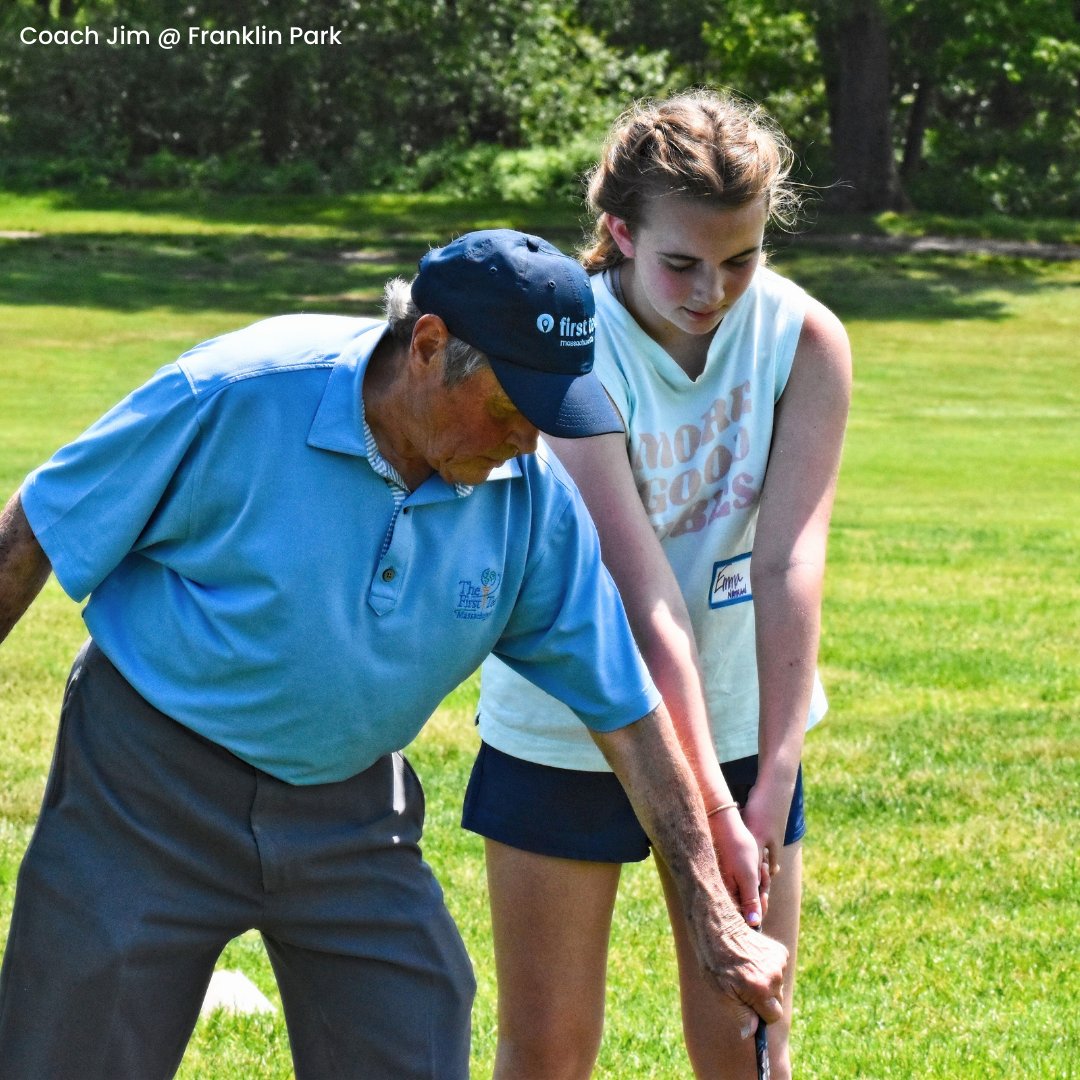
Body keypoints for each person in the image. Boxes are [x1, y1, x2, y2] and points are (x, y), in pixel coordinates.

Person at [0, 228, 786, 1080]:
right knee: (68, 1054)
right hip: (144, 790)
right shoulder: (236, 392)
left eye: (551, 416)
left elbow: (630, 716)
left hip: (350, 811)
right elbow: (35, 532)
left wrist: (714, 914)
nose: (529, 441)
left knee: (413, 1023)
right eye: (511, 408)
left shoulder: (529, 501)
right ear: (429, 345)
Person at [464, 93, 852, 1079]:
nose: (712, 290)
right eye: (682, 262)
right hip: (571, 724)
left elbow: (788, 559)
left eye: (741, 259)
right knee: (550, 1051)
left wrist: (771, 776)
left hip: (737, 733)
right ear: (619, 232)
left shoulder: (806, 340)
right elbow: (643, 599)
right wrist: (712, 822)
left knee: (748, 1040)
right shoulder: (568, 348)